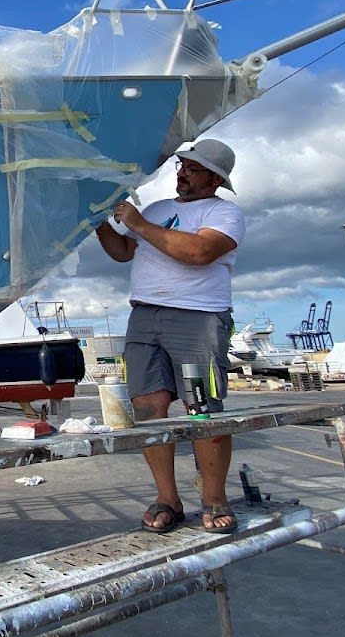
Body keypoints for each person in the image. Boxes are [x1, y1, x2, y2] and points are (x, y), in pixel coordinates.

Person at [93, 138, 244, 534]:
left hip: (197, 319)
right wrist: (94, 222)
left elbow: (199, 253)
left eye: (192, 168)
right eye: (181, 166)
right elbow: (124, 251)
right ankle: (167, 498)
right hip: (144, 316)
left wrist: (140, 223)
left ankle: (214, 499)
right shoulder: (160, 209)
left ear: (214, 178)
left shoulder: (224, 213)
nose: (182, 173)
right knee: (146, 406)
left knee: (202, 408)